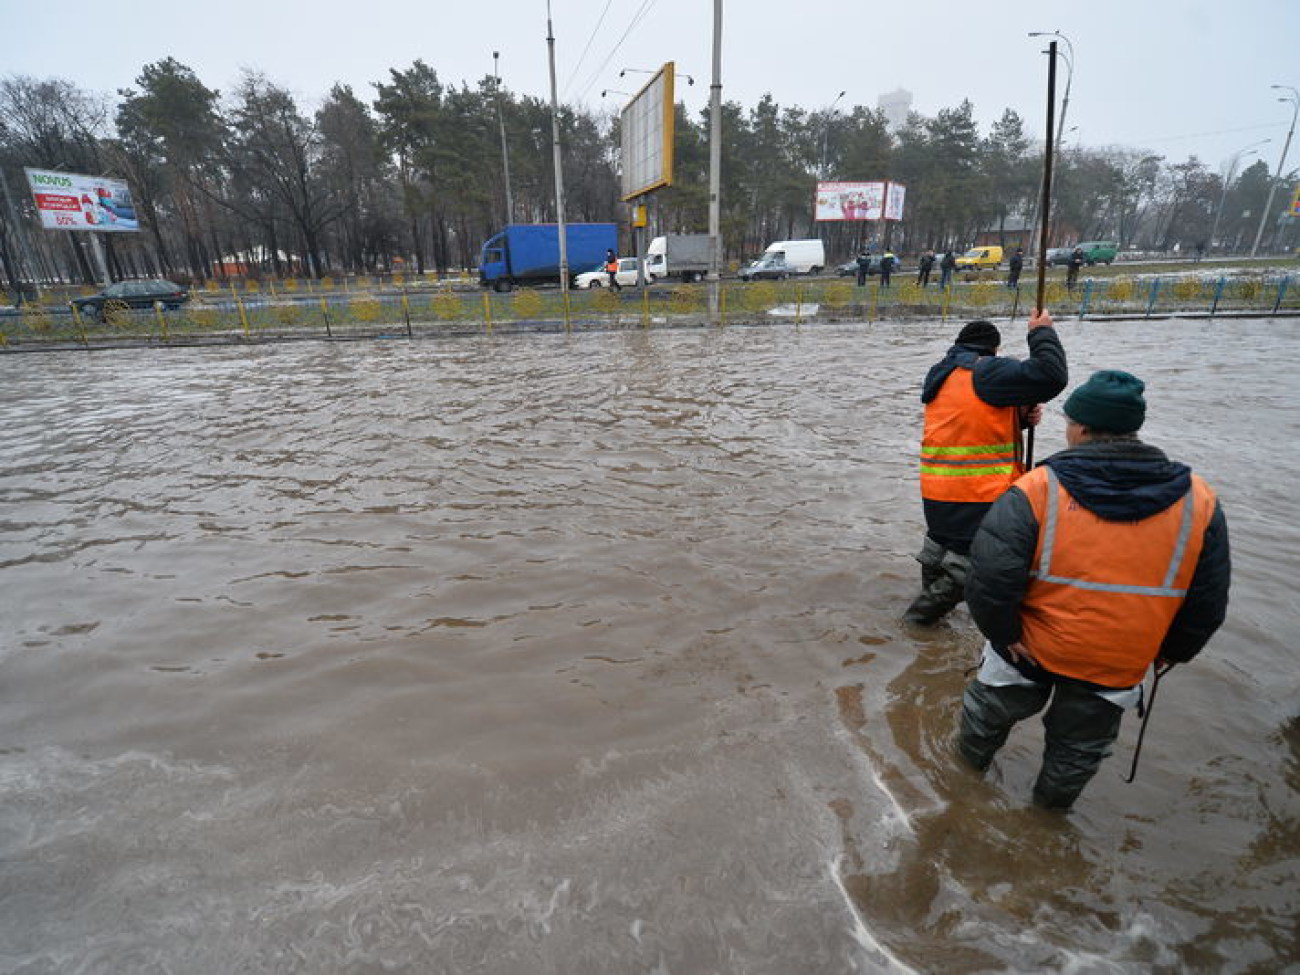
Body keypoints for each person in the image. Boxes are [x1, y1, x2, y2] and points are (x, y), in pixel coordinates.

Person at [957, 370, 1231, 810]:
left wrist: (1004, 634)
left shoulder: (1036, 488)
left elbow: (989, 579)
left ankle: (957, 791)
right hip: (1117, 661)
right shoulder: (1200, 500)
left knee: (983, 721)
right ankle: (1046, 823)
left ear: (1080, 428)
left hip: (1029, 647)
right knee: (1077, 752)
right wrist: (1173, 653)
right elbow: (1208, 601)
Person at [906, 311, 1068, 625]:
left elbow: (969, 422)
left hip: (938, 488)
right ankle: (918, 620)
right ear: (993, 350)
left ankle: (929, 628)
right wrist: (1041, 333)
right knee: (974, 566)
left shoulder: (943, 373)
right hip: (977, 492)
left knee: (939, 553)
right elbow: (1051, 375)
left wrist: (1020, 418)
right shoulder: (987, 371)